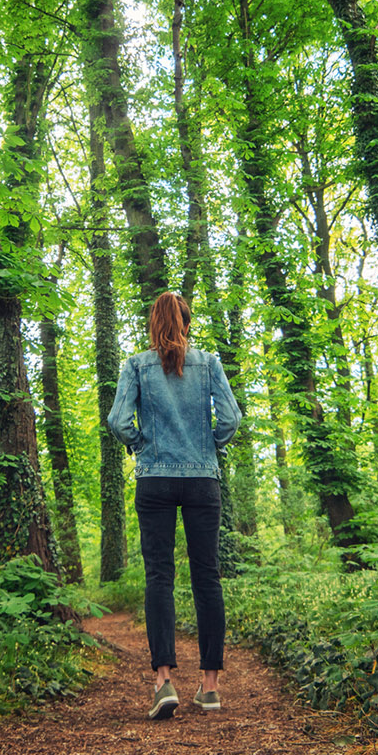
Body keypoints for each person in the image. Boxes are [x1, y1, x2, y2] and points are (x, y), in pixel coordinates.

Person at [106, 291, 241, 719]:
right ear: (186, 322)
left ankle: (163, 681)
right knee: (207, 577)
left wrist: (144, 447)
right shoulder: (210, 362)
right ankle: (211, 687)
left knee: (159, 576)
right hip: (203, 480)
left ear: (153, 324)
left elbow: (117, 421)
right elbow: (232, 419)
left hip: (156, 481)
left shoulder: (136, 365)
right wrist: (207, 448)